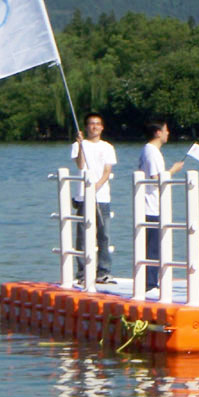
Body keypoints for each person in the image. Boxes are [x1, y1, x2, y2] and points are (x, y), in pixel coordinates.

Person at [137, 120, 184, 291]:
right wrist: (173, 170)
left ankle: (150, 280)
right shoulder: (152, 153)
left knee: (153, 246)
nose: (168, 133)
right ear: (157, 132)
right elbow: (156, 179)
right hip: (152, 206)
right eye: (165, 130)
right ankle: (150, 283)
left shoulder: (148, 150)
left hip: (151, 205)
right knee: (153, 247)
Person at [71, 112, 117, 284]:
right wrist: (80, 145)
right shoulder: (78, 145)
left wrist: (97, 185)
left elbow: (107, 171)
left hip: (102, 196)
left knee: (103, 234)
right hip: (83, 196)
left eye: (97, 123)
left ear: (102, 127)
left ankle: (103, 271)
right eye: (91, 123)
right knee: (83, 235)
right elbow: (80, 165)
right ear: (86, 127)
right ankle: (83, 273)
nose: (94, 126)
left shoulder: (107, 147)